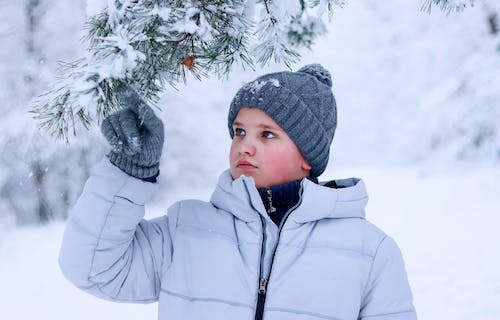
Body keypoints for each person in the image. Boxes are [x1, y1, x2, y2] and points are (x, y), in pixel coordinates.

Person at [59, 64, 417, 320]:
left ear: (308, 156)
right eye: (239, 132)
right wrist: (128, 174)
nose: (245, 146)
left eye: (267, 135)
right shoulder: (186, 230)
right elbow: (92, 269)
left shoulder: (369, 253)